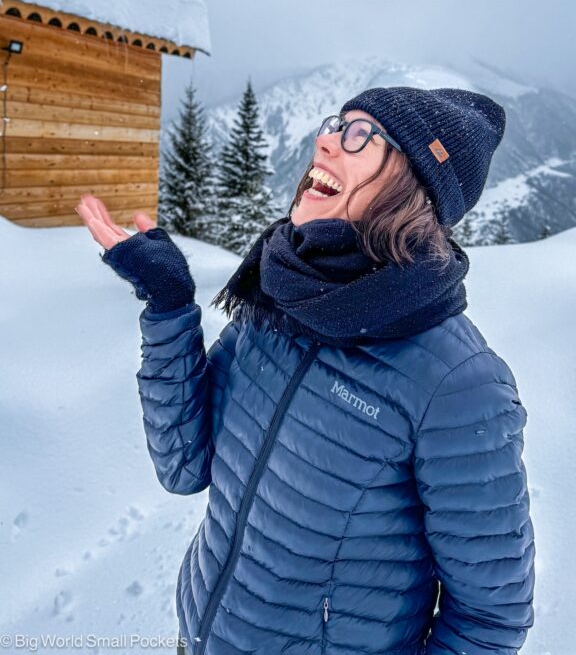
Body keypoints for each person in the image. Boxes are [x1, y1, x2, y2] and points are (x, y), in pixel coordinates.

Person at [76, 86, 535, 655]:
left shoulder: (458, 385)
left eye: (361, 135)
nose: (326, 140)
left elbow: (490, 617)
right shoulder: (278, 297)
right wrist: (170, 306)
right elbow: (184, 466)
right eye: (336, 123)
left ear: (415, 188)